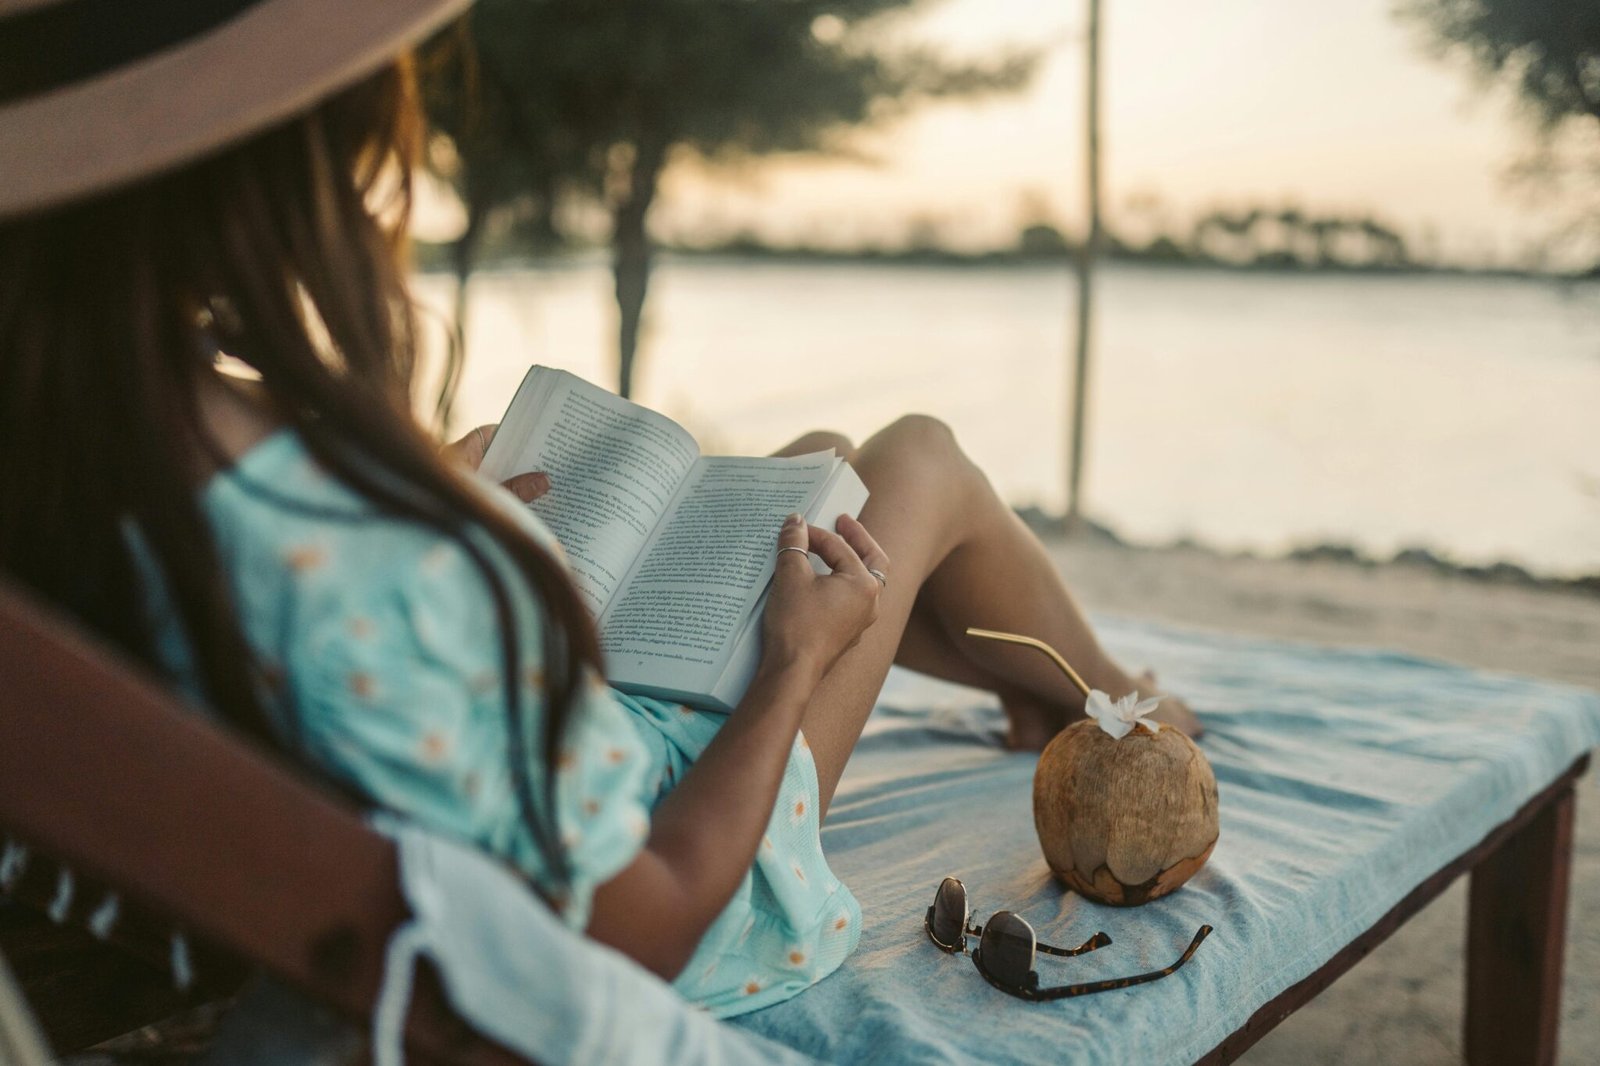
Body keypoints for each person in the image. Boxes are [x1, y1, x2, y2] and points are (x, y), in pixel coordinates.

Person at [0, 0, 1195, 1020]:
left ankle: (1038, 687)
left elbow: (361, 668)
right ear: (268, 172)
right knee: (915, 462)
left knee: (818, 468)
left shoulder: (88, 438)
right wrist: (789, 667)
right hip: (691, 861)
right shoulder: (354, 571)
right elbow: (646, 924)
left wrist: (448, 516)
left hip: (515, 774)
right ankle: (1101, 693)